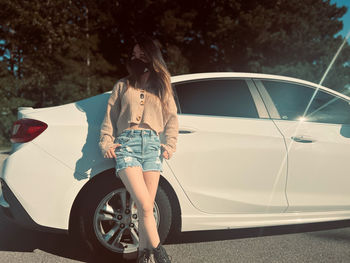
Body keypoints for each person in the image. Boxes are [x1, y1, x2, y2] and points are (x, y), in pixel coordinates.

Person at [98, 33, 178, 263]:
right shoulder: (122, 85)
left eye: (141, 54)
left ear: (151, 57)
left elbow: (172, 118)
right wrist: (106, 142)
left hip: (153, 146)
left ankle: (143, 255)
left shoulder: (162, 86)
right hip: (127, 145)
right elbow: (109, 117)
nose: (136, 58)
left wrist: (170, 145)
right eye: (134, 54)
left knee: (144, 209)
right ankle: (161, 254)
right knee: (144, 204)